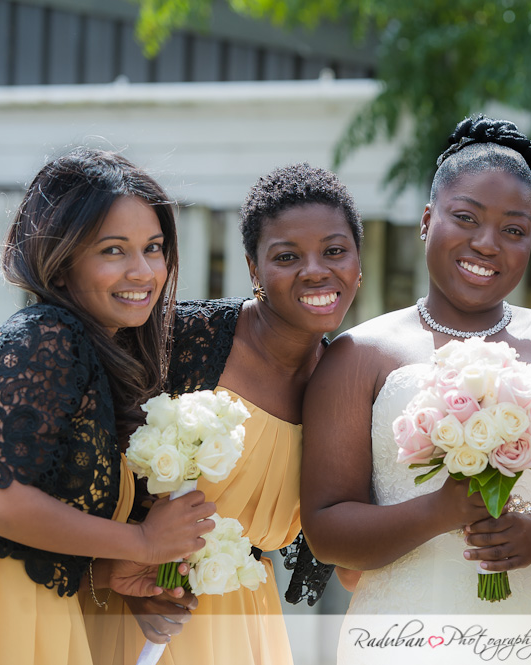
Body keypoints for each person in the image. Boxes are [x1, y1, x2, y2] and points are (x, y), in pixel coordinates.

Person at [301, 115, 531, 664]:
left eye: (514, 230)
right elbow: (327, 531)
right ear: (428, 220)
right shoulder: (359, 355)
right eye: (465, 218)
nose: (487, 243)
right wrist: (441, 510)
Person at [0, 147, 216, 665]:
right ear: (60, 264)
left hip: (33, 599)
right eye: (113, 251)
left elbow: (36, 525)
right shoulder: (47, 337)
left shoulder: (100, 351)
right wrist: (144, 542)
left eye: (153, 248)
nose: (143, 271)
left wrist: (109, 572)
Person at [82, 162, 363, 665]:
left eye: (335, 251)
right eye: (287, 256)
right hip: (133, 611)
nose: (316, 269)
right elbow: (74, 483)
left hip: (244, 628)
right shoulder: (178, 341)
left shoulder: (346, 382)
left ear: (357, 265)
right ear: (254, 269)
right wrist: (117, 580)